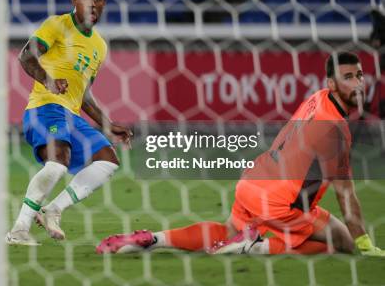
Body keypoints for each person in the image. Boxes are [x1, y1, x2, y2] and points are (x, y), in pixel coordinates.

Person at [97, 52, 385, 257]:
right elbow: (346, 196)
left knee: (226, 230)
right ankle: (256, 246)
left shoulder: (317, 98)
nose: (358, 83)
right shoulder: (335, 130)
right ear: (332, 84)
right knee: (344, 242)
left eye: (359, 75)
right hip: (280, 202)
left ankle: (154, 239)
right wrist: (363, 242)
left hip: (254, 181)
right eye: (348, 77)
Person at [6, 0, 133, 246]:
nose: (92, 2)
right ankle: (19, 228)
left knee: (107, 159)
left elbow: (84, 95)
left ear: (103, 4)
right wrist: (49, 80)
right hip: (45, 107)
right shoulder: (57, 25)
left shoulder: (99, 46)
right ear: (74, 0)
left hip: (71, 115)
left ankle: (53, 210)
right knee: (57, 163)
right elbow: (26, 56)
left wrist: (108, 125)